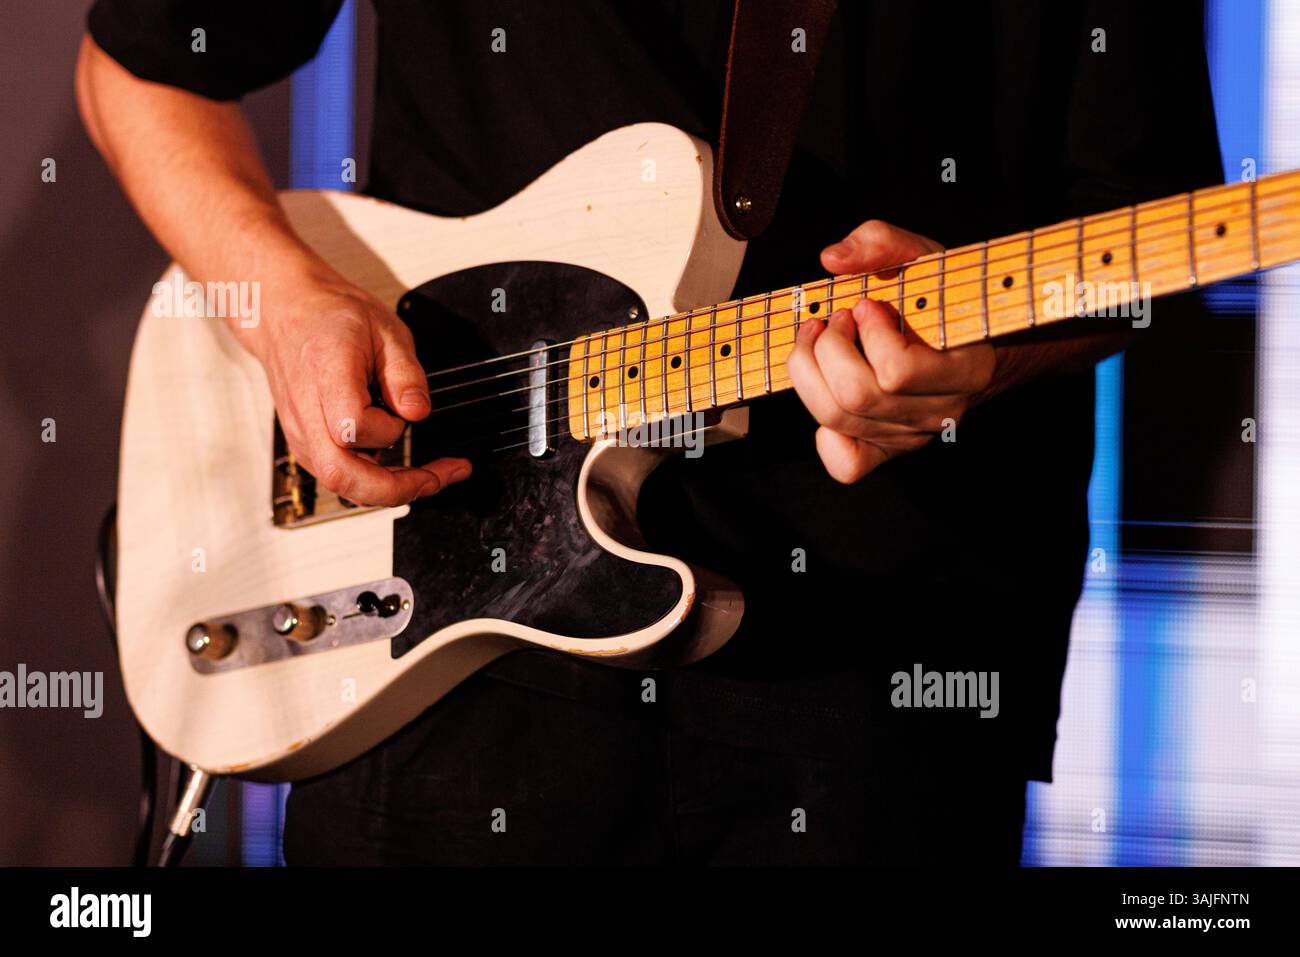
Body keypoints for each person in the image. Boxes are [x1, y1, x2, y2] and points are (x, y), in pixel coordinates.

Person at [77, 1, 1222, 865]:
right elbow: (135, 70)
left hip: (883, 682)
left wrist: (986, 357)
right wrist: (278, 298)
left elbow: (1147, 241)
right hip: (449, 657)